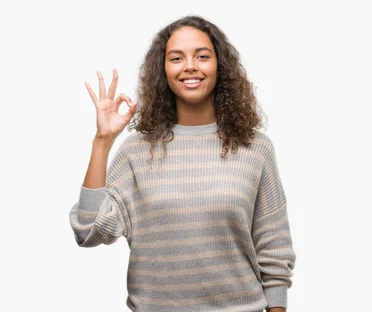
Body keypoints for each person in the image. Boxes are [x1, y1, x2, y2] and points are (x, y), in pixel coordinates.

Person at [69, 15, 296, 312]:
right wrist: (102, 141)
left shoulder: (255, 148)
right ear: (163, 70)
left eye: (202, 56)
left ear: (220, 67)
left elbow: (274, 247)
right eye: (176, 58)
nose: (190, 66)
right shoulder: (137, 151)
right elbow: (88, 230)